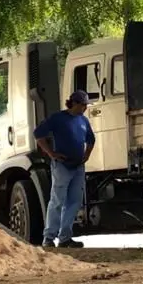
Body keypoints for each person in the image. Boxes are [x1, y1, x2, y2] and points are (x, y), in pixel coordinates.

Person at [34, 90, 96, 249]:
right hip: (62, 165)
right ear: (74, 103)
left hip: (78, 166)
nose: (85, 108)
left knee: (74, 202)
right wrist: (51, 153)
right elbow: (38, 134)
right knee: (57, 201)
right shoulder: (58, 118)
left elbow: (91, 139)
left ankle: (65, 237)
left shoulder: (83, 121)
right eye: (83, 105)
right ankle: (49, 237)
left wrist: (87, 155)